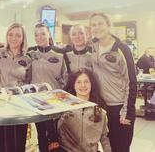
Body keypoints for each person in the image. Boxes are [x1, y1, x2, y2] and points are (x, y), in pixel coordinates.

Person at [89, 12, 137, 152]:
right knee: (107, 147)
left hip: (120, 107)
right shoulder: (93, 47)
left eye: (100, 23)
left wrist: (128, 112)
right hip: (101, 107)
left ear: (108, 25)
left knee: (120, 148)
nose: (97, 27)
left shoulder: (122, 49)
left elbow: (131, 81)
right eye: (93, 25)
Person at [27, 23, 66, 152]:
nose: (40, 37)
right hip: (36, 103)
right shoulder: (30, 53)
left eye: (43, 33)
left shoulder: (60, 54)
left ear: (49, 34)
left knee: (56, 138)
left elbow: (65, 79)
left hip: (55, 103)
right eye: (36, 34)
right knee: (41, 136)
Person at [0, 23, 31, 152]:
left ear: (23, 38)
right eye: (10, 34)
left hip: (19, 105)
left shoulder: (28, 58)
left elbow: (29, 82)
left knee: (18, 143)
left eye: (18, 35)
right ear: (6, 36)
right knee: (1, 142)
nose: (14, 38)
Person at [57, 68, 111, 152]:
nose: (83, 85)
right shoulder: (64, 108)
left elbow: (104, 137)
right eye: (78, 82)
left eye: (86, 82)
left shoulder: (100, 111)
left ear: (91, 84)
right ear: (73, 85)